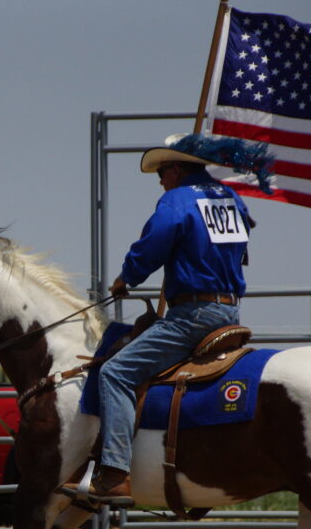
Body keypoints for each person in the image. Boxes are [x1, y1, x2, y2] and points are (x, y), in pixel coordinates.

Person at [63, 132, 273, 506]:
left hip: (193, 313)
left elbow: (155, 243)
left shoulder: (176, 200)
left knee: (114, 373)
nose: (160, 181)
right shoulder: (232, 200)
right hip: (229, 308)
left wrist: (127, 277)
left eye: (162, 172)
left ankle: (113, 473)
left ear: (176, 169)